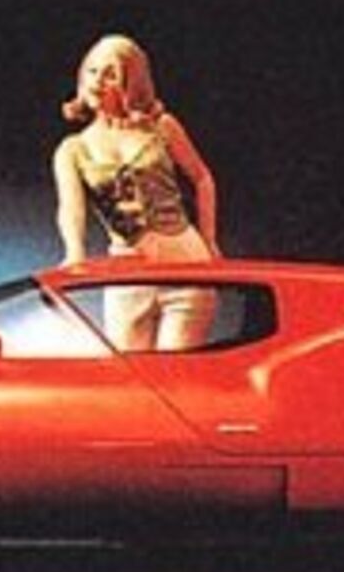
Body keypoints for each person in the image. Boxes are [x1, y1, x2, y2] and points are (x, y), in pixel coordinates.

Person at [52, 34, 220, 352]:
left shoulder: (162, 127)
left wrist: (210, 240)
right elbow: (71, 209)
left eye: (110, 74)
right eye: (92, 71)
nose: (97, 81)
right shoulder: (72, 149)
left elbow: (202, 178)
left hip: (186, 267)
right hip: (128, 276)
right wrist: (74, 252)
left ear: (132, 83)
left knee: (174, 373)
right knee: (130, 372)